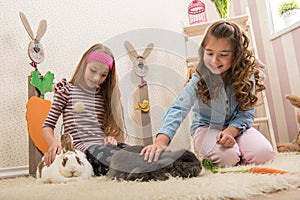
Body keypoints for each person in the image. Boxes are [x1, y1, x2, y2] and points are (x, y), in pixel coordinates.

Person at [140, 21, 275, 167]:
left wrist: (231, 132)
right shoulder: (199, 79)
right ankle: (226, 156)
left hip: (238, 128)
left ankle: (238, 154)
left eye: (223, 55)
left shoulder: (246, 78)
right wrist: (161, 142)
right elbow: (178, 108)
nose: (214, 60)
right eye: (209, 53)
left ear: (236, 55)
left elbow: (246, 114)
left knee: (264, 155)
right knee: (227, 158)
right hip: (206, 128)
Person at [42, 43, 127, 175]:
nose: (96, 78)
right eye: (93, 70)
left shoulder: (103, 96)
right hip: (83, 151)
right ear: (83, 65)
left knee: (131, 151)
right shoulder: (66, 91)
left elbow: (101, 130)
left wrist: (110, 138)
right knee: (114, 160)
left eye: (103, 75)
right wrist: (53, 144)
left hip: (102, 147)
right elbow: (47, 125)